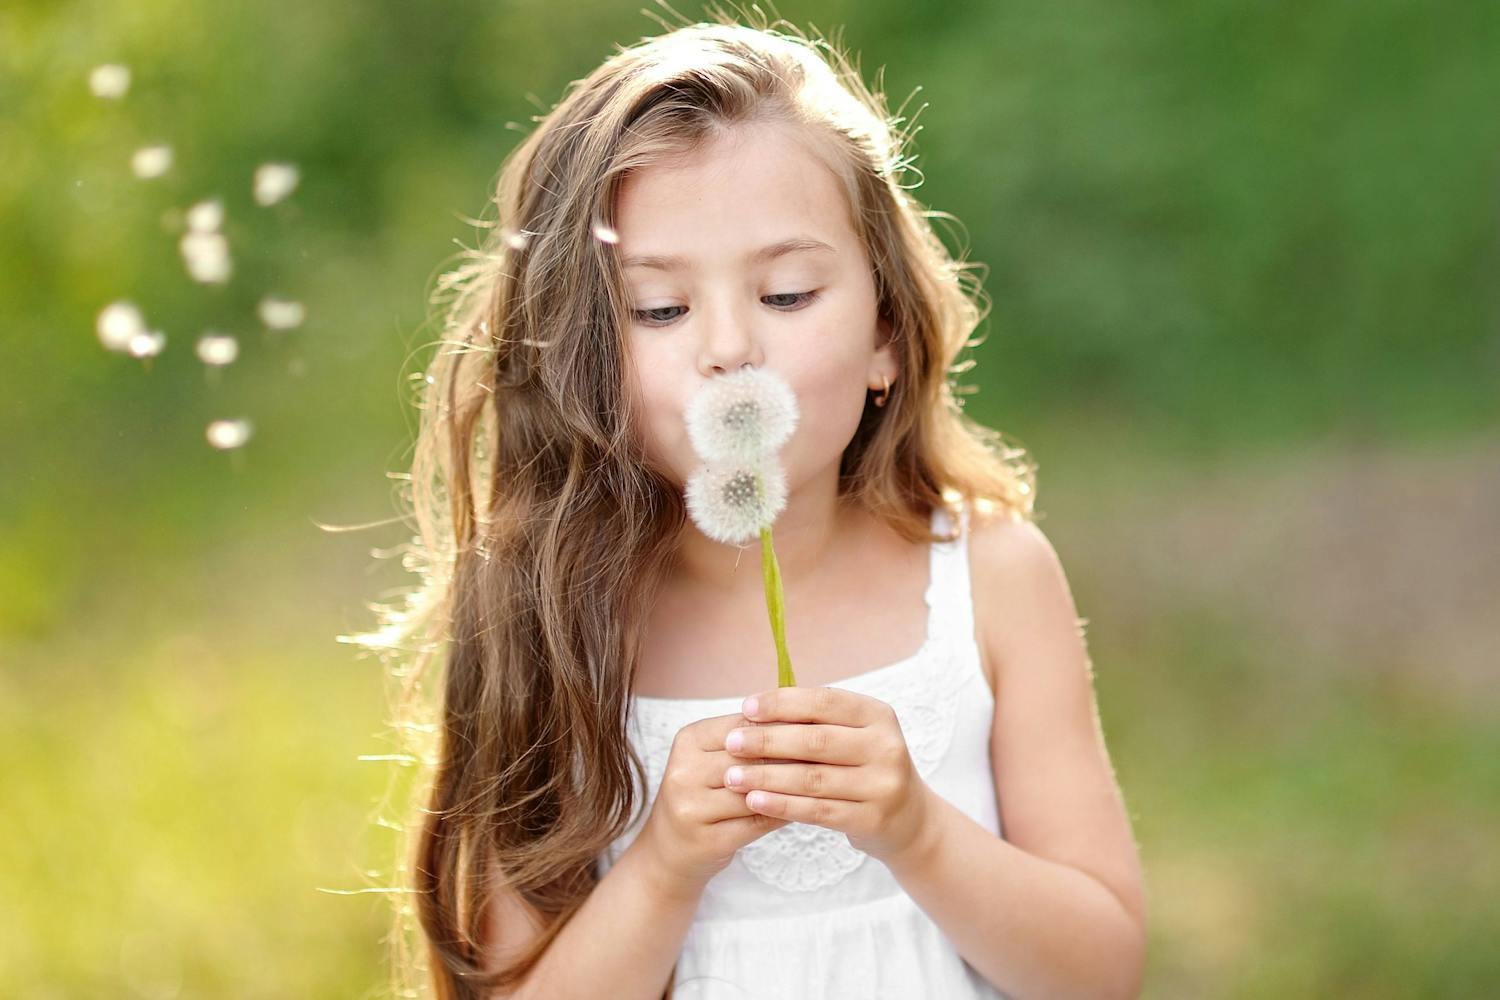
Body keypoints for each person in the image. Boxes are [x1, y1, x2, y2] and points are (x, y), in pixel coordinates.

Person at [351, 11, 1145, 1000]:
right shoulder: (548, 616)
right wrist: (665, 866)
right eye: (659, 310)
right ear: (574, 359)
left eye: (787, 294)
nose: (727, 347)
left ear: (886, 336)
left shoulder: (990, 578)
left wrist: (917, 829)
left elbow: (1101, 970)